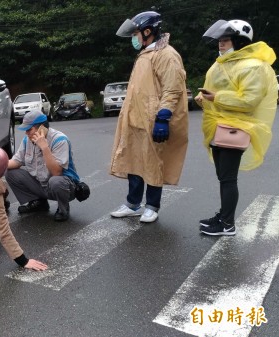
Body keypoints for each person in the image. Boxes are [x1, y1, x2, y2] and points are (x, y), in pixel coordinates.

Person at [195, 19, 277, 236]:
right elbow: (211, 89)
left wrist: (217, 97)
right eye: (220, 40)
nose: (221, 44)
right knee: (223, 177)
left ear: (239, 42)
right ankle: (223, 215)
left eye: (226, 40)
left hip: (236, 128)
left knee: (229, 178)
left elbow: (249, 100)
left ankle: (228, 224)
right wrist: (202, 97)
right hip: (217, 126)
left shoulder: (253, 66)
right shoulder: (221, 63)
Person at [109, 11, 189, 223]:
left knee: (154, 162)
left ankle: (152, 206)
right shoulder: (146, 54)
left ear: (148, 31)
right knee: (134, 161)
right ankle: (133, 203)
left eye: (136, 33)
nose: (135, 38)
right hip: (136, 120)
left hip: (153, 121)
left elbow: (172, 90)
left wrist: (163, 117)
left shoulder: (167, 55)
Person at [5, 110, 80, 222]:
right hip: (41, 184)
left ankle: (63, 209)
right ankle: (39, 203)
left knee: (56, 181)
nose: (26, 133)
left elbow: (56, 172)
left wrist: (44, 147)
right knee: (11, 173)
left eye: (29, 129)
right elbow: (16, 161)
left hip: (64, 186)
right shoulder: (27, 140)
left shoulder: (60, 140)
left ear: (42, 128)